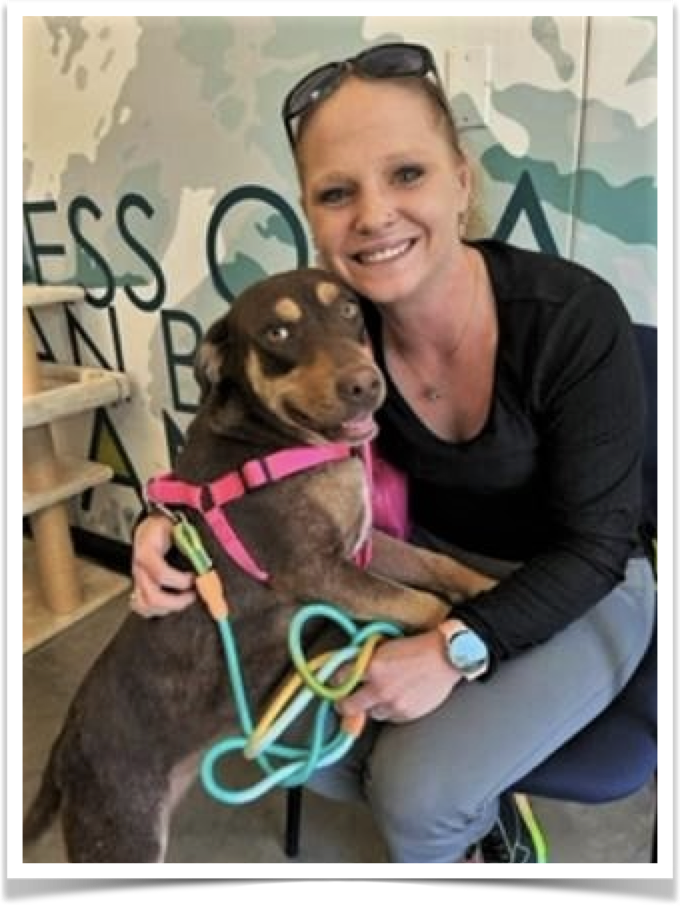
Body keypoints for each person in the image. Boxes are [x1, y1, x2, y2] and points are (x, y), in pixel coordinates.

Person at [131, 43, 655, 863]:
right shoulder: (332, 330)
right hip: (426, 567)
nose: (373, 215)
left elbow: (596, 547)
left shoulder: (572, 318)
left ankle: (467, 820)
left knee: (414, 793)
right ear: (312, 217)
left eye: (406, 174)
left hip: (585, 580)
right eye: (338, 193)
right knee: (275, 718)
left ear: (460, 180)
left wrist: (453, 648)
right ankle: (474, 795)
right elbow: (218, 444)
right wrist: (160, 517)